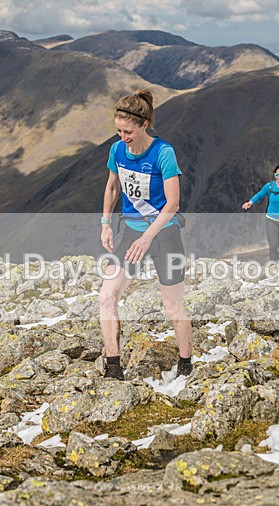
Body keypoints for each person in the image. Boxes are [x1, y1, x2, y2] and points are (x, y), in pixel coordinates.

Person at [98, 89, 192, 381]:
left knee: (172, 305)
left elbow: (173, 203)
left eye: (128, 132)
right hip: (131, 233)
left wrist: (148, 237)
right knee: (106, 296)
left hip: (165, 235)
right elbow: (113, 187)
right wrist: (105, 223)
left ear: (145, 124)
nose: (123, 137)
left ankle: (186, 362)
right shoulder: (117, 151)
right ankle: (113, 367)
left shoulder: (163, 152)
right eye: (118, 131)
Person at [241, 164, 279, 269]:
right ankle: (274, 268)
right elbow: (259, 195)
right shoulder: (270, 187)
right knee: (273, 245)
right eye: (278, 174)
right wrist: (251, 202)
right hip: (271, 220)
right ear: (274, 175)